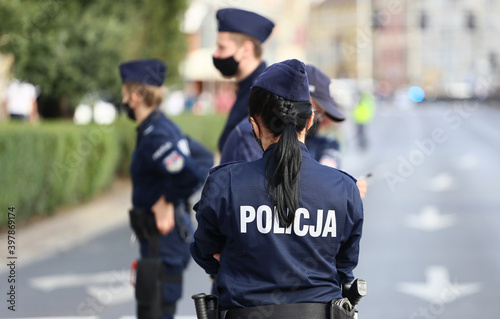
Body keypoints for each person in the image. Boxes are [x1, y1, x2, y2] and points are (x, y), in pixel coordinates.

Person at [191, 59, 363, 318]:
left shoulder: (224, 183)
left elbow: (204, 252)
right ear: (310, 121)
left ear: (254, 124)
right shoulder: (345, 189)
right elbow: (344, 267)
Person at [119, 58, 213, 319]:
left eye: (125, 93)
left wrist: (166, 200)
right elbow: (204, 157)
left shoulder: (156, 135)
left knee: (155, 312)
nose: (123, 100)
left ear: (136, 95)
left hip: (164, 240)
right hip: (162, 240)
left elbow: (192, 172)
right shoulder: (162, 126)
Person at [220, 63, 368, 199]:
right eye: (316, 112)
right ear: (298, 100)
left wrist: (335, 185)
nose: (319, 121)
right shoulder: (252, 135)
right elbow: (264, 198)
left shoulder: (318, 142)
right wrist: (336, 193)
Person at [213, 8, 275, 152]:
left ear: (246, 49)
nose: (216, 54)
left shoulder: (263, 95)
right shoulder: (248, 88)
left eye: (221, 47)